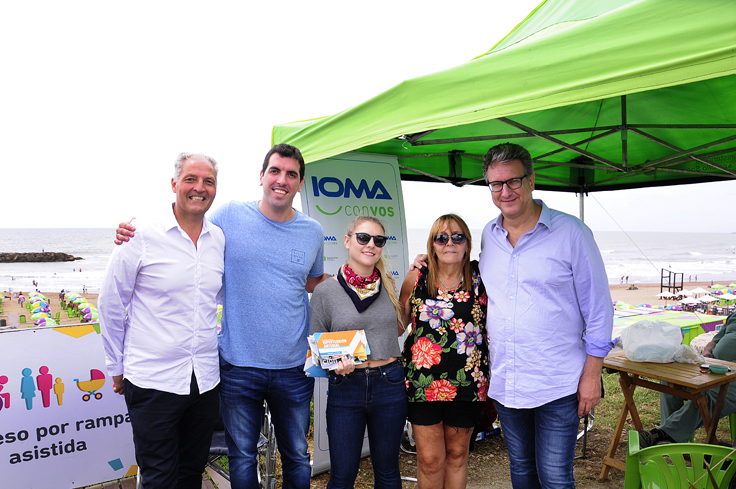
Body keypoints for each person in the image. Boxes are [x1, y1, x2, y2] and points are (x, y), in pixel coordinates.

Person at [116, 144, 329, 489]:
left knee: (295, 456)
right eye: (275, 171)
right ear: (261, 177)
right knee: (242, 456)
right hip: (237, 365)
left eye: (291, 174)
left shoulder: (312, 231)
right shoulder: (229, 215)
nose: (282, 180)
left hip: (293, 366)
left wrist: (357, 277)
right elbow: (185, 222)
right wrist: (134, 229)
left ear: (300, 183)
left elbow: (312, 280)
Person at [479, 143, 613, 488]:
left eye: (513, 181)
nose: (505, 191)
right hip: (508, 381)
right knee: (521, 470)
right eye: (496, 184)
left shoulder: (572, 234)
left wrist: (591, 377)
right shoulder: (488, 236)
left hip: (559, 382)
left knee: (555, 477)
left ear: (532, 180)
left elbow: (599, 309)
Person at [99, 152, 225, 489]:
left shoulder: (219, 239)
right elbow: (111, 302)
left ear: (215, 188)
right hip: (153, 380)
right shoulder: (139, 233)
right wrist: (117, 366)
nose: (199, 188)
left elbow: (223, 297)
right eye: (191, 179)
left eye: (208, 181)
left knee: (190, 475)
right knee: (158, 479)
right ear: (174, 184)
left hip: (205, 382)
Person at [310, 216, 406, 489]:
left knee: (388, 472)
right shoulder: (325, 291)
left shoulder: (388, 284)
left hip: (389, 383)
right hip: (346, 387)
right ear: (347, 240)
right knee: (342, 475)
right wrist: (333, 365)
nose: (371, 245)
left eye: (378, 240)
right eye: (364, 237)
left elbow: (397, 330)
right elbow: (317, 349)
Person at [400, 214, 488, 489]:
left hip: (467, 383)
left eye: (457, 236)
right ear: (432, 245)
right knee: (428, 459)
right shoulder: (416, 277)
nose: (449, 242)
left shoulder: (480, 278)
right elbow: (397, 323)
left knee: (458, 455)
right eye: (441, 237)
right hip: (422, 384)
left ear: (467, 244)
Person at [639, 311, 736, 447]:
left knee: (707, 394)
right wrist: (708, 352)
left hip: (732, 378)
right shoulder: (734, 316)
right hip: (715, 368)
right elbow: (714, 341)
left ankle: (664, 434)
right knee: (671, 381)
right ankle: (672, 439)